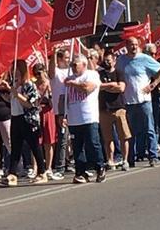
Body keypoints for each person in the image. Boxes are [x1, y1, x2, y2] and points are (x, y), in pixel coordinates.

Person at [116, 37, 160, 167]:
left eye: (136, 45)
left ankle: (153, 156)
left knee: (149, 129)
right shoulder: (121, 60)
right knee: (130, 131)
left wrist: (153, 85)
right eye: (131, 45)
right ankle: (131, 158)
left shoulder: (144, 58)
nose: (134, 47)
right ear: (126, 45)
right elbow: (118, 75)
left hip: (144, 101)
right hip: (128, 101)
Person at [4, 60, 48, 186]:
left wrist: (16, 94)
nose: (15, 74)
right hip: (16, 117)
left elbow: (30, 103)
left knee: (34, 146)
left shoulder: (29, 85)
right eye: (13, 71)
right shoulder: (14, 85)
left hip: (28, 119)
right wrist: (8, 92)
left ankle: (42, 171)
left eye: (17, 71)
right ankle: (12, 173)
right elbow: (12, 101)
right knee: (16, 147)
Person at [65, 53, 106, 184]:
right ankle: (80, 172)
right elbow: (63, 97)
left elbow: (88, 87)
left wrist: (74, 84)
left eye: (74, 64)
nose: (72, 67)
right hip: (74, 118)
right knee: (77, 147)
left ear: (83, 64)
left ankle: (100, 167)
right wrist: (62, 114)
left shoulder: (91, 74)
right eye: (71, 64)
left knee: (93, 144)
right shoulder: (69, 78)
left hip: (89, 117)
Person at [98, 53, 130, 170]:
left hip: (119, 108)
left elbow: (121, 88)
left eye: (110, 60)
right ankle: (110, 160)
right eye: (106, 61)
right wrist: (111, 85)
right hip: (104, 108)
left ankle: (125, 160)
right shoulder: (99, 74)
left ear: (114, 60)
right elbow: (98, 87)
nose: (108, 63)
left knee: (124, 136)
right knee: (108, 138)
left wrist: (108, 87)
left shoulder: (119, 73)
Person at [48, 48, 71, 178]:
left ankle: (70, 162)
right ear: (60, 59)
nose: (69, 60)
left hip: (73, 107)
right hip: (60, 110)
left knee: (72, 139)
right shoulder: (55, 72)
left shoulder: (71, 71)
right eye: (66, 58)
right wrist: (54, 53)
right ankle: (60, 167)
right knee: (62, 139)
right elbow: (50, 70)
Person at [33, 63, 56, 180]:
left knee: (48, 140)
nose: (38, 76)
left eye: (39, 73)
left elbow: (53, 104)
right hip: (37, 112)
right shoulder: (34, 84)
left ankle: (48, 167)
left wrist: (50, 94)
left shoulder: (49, 83)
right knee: (36, 140)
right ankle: (35, 167)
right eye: (35, 74)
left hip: (47, 111)